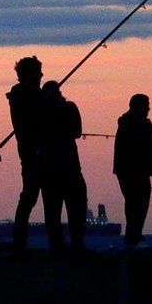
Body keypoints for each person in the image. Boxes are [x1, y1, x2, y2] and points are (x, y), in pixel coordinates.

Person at [38, 80, 89, 255]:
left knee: (75, 207)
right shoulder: (41, 110)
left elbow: (76, 131)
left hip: (67, 167)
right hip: (54, 168)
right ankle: (58, 243)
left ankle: (74, 242)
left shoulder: (67, 107)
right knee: (54, 210)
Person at [112, 94, 152, 250]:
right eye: (146, 105)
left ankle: (134, 236)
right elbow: (140, 146)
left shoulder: (130, 123)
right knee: (137, 203)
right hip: (133, 171)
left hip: (130, 170)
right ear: (137, 106)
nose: (149, 108)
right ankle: (134, 237)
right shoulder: (134, 124)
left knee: (135, 203)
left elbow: (143, 146)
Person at [6, 56, 45, 255]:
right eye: (39, 73)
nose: (42, 76)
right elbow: (34, 118)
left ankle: (20, 239)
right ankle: (19, 239)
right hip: (33, 154)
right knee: (30, 195)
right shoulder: (22, 95)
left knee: (36, 196)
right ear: (29, 75)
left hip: (36, 152)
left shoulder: (29, 94)